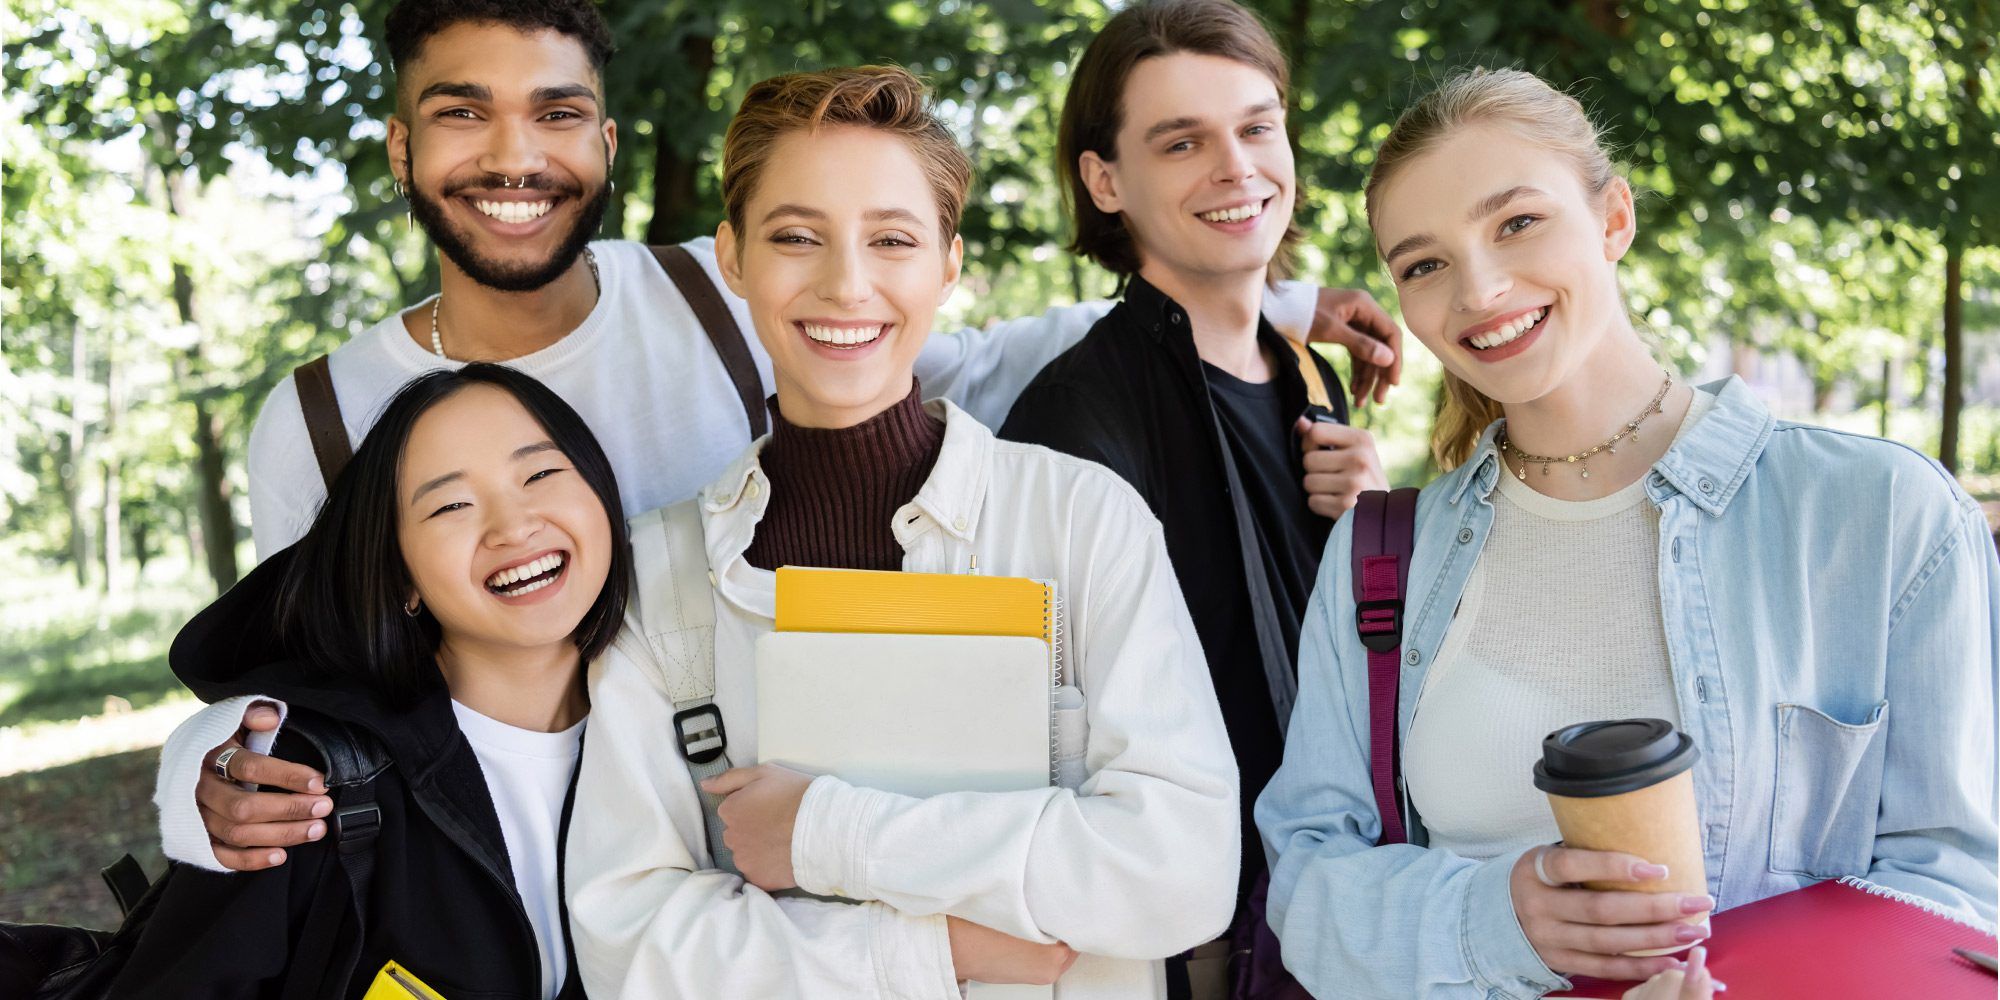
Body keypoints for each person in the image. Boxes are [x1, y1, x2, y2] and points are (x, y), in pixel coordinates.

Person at [155, 0, 1404, 874]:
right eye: (461, 113)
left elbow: (965, 338)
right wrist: (197, 783)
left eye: (554, 113)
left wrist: (1278, 303)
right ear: (400, 146)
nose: (512, 154)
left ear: (602, 138)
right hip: (498, 872)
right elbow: (275, 688)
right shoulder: (321, 416)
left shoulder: (725, 293)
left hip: (764, 820)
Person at [1255, 67, 1999, 999]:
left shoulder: (1885, 516)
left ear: (1613, 220)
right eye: (1424, 263)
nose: (1480, 289)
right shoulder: (1382, 556)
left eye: (1516, 223)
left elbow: (1963, 891)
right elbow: (1310, 869)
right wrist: (1496, 921)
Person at [565, 65, 1238, 998]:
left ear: (948, 266)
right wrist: (937, 953)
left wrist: (825, 833)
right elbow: (628, 942)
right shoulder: (655, 572)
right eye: (797, 237)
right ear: (733, 258)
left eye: (892, 239)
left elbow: (1182, 873)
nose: (847, 285)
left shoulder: (1083, 520)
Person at [998, 2, 1392, 983]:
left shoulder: (1306, 372)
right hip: (1198, 940)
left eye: (1255, 127)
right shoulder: (1073, 421)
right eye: (1182, 142)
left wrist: (1376, 534)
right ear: (1104, 179)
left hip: (1339, 901)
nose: (1236, 166)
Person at [111, 364, 627, 998]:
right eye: (451, 505)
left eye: (541, 473)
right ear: (401, 576)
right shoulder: (303, 783)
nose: (513, 526)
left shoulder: (680, 722)